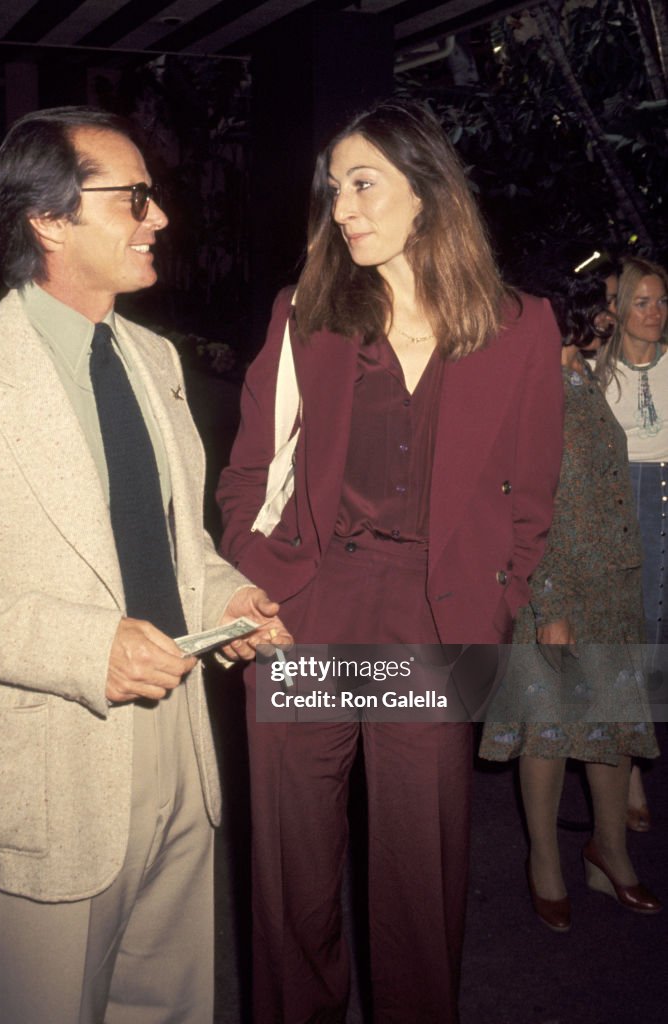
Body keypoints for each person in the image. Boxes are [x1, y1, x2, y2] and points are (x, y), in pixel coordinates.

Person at [0, 106, 290, 1024]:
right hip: (45, 763)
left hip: (179, 745)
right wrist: (89, 650)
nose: (159, 219)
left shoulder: (154, 357)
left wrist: (229, 593)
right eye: (135, 199)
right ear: (50, 220)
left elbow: (173, 539)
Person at [217, 100, 563, 1023]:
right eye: (335, 189)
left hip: (432, 626)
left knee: (420, 873)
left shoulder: (521, 328)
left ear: (428, 191)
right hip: (311, 611)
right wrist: (256, 584)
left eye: (363, 184)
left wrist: (496, 606)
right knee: (293, 872)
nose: (342, 208)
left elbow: (532, 499)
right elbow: (251, 468)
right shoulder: (305, 316)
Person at [480, 272, 661, 931]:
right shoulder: (533, 387)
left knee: (607, 724)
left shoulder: (583, 377)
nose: (611, 315)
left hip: (610, 584)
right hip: (553, 584)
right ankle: (546, 862)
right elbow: (525, 499)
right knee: (548, 730)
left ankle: (608, 854)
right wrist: (549, 598)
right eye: (605, 304)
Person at [598, 256, 668, 832]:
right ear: (618, 312)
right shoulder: (595, 373)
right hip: (618, 512)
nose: (654, 313)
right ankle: (633, 770)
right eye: (641, 302)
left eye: (661, 301)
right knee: (628, 638)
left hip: (666, 506)